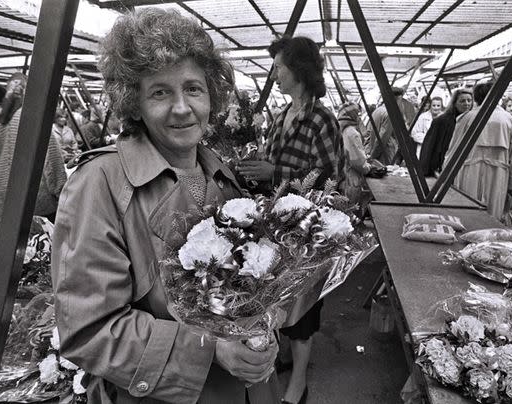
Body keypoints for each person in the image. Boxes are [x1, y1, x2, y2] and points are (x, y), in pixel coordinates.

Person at [51, 9, 279, 403]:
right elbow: (88, 329)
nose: (181, 107)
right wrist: (211, 348)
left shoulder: (220, 172)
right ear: (133, 102)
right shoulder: (99, 183)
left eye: (193, 88)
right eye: (160, 92)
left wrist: (266, 321)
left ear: (211, 95)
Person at [237, 35, 343, 404]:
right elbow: (269, 166)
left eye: (279, 67)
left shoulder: (322, 120)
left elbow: (332, 179)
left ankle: (298, 383)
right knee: (278, 299)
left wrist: (275, 170)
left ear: (299, 70)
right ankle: (283, 360)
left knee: (303, 313)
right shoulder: (282, 116)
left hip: (308, 229)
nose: (274, 74)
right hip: (275, 226)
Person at [0, 73, 66, 223]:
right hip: (34, 201)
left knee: (8, 244)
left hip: (2, 202)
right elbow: (51, 159)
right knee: (39, 243)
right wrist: (62, 192)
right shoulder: (33, 118)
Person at [444, 82, 512, 220]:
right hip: (498, 172)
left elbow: (454, 148)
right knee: (492, 213)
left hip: (468, 170)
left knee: (467, 210)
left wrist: (446, 174)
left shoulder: (466, 117)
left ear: (477, 98)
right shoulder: (508, 119)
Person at [419, 88, 473, 176]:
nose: (466, 104)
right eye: (462, 101)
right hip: (445, 165)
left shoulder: (473, 119)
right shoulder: (441, 121)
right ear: (455, 103)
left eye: (469, 100)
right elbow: (430, 146)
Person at [337, 101, 374, 218]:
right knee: (351, 211)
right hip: (351, 178)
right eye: (358, 114)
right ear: (352, 115)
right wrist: (368, 167)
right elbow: (356, 160)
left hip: (341, 173)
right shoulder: (352, 133)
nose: (359, 117)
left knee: (341, 210)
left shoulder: (340, 129)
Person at [366, 86, 417, 165]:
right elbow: (383, 138)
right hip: (385, 153)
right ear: (397, 99)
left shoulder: (377, 110)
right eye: (401, 100)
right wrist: (373, 156)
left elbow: (369, 133)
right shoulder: (390, 113)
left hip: (375, 150)